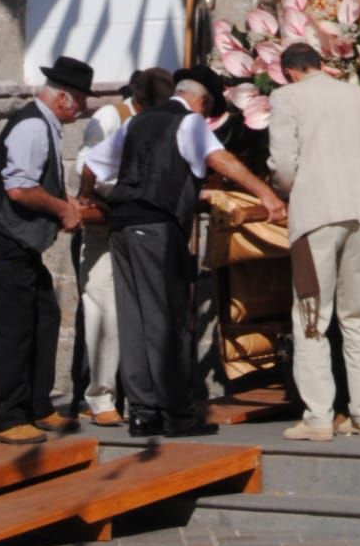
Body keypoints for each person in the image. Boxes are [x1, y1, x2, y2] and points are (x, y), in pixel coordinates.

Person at [83, 67, 286, 439]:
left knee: (133, 319)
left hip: (123, 226)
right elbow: (221, 161)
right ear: (202, 101)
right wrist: (266, 194)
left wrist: (89, 198)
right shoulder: (190, 123)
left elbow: (91, 165)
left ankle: (143, 412)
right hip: (157, 227)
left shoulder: (137, 122)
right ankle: (177, 414)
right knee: (165, 318)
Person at [268, 43, 360, 441]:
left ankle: (319, 417)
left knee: (311, 315)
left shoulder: (286, 97)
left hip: (317, 213)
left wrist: (292, 188)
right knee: (357, 314)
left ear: (289, 71)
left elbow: (283, 162)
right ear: (320, 65)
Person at [0, 55, 94, 446]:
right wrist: (62, 210)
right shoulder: (33, 128)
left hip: (20, 245)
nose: (85, 108)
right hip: (5, 241)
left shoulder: (44, 124)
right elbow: (19, 188)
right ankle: (6, 417)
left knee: (43, 317)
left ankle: (36, 405)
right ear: (63, 99)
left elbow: (39, 182)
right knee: (11, 330)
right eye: (81, 100)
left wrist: (68, 201)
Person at [74, 67, 174, 425]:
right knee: (105, 309)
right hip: (108, 224)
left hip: (139, 225)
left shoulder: (162, 121)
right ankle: (100, 397)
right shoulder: (111, 117)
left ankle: (142, 396)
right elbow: (87, 165)